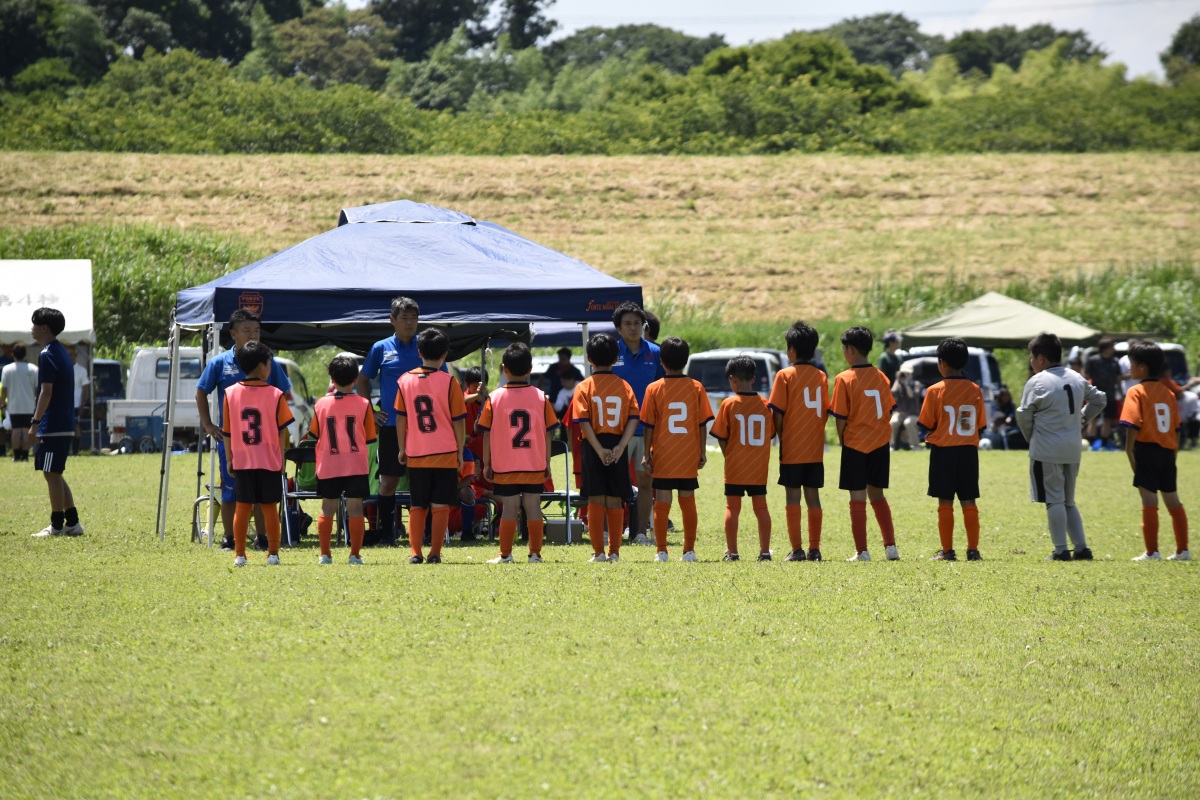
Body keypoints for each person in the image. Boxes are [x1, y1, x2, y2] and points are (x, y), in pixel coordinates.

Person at [196, 308, 292, 551]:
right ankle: (229, 538)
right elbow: (201, 392)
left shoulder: (267, 361)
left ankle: (262, 538)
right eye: (247, 330)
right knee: (231, 492)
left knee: (262, 494)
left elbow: (283, 394)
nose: (253, 335)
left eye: (257, 331)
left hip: (264, 444)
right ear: (233, 334)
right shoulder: (220, 362)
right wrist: (208, 424)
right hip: (232, 442)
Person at [1015, 332, 1107, 561]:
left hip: (1047, 448)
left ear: (1040, 358)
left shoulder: (1037, 381)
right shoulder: (1076, 377)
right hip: (1073, 447)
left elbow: (1024, 415)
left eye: (1032, 357)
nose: (1031, 362)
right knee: (1068, 500)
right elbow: (1100, 399)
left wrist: (1031, 437)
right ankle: (1082, 548)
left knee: (1054, 499)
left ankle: (1060, 550)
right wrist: (1082, 419)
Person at [357, 296, 433, 548]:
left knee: (423, 481)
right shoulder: (381, 348)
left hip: (423, 427)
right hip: (390, 426)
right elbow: (363, 380)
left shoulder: (426, 346)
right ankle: (387, 535)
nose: (410, 323)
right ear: (392, 320)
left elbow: (442, 380)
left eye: (414, 318)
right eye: (404, 318)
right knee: (388, 481)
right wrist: (370, 411)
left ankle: (427, 535)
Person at [478, 343, 559, 564]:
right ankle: (535, 554)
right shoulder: (541, 397)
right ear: (530, 369)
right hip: (533, 463)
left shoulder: (494, 398)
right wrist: (547, 462)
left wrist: (487, 463)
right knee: (533, 506)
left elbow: (486, 434)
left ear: (504, 369)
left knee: (509, 507)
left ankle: (505, 554)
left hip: (505, 464)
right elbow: (549, 433)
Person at [394, 327, 466, 565]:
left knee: (417, 504)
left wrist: (402, 448)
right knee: (440, 504)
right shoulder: (450, 382)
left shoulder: (404, 380)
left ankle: (415, 552)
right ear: (445, 354)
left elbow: (401, 418)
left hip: (417, 452)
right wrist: (459, 450)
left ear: (419, 352)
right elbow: (458, 421)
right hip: (445, 452)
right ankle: (435, 553)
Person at [221, 341, 293, 566]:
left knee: (243, 506)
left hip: (243, 460)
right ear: (262, 366)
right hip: (269, 460)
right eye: (269, 363)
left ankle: (240, 555)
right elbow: (282, 431)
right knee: (270, 506)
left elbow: (227, 432)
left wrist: (230, 458)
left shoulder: (230, 393)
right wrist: (281, 459)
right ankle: (273, 554)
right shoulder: (276, 394)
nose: (270, 367)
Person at [831, 326, 899, 562]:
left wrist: (843, 439)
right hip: (880, 442)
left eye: (843, 348)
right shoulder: (881, 376)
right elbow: (889, 410)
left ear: (850, 350)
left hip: (855, 443)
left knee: (857, 497)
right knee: (878, 495)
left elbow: (840, 416)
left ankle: (862, 551)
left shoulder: (844, 378)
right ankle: (891, 547)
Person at [641, 336, 712, 562]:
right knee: (687, 500)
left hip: (663, 453)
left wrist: (646, 454)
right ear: (686, 360)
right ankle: (689, 550)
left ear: (661, 361)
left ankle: (661, 551)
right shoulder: (696, 387)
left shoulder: (654, 388)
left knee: (662, 502)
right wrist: (702, 451)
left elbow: (649, 425)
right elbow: (702, 424)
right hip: (688, 452)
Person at [572, 333, 640, 563]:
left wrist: (599, 449)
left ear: (589, 359)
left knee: (595, 500)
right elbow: (633, 417)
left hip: (594, 445)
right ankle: (615, 552)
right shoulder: (624, 386)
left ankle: (599, 552)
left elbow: (583, 421)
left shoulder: (584, 387)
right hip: (617, 444)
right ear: (615, 358)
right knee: (614, 499)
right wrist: (621, 446)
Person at [917, 338, 987, 561]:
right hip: (968, 452)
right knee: (969, 500)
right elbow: (980, 425)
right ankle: (973, 550)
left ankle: (947, 551)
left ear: (942, 362)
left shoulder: (934, 391)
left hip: (943, 452)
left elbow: (927, 423)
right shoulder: (975, 390)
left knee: (945, 501)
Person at [1120, 341, 1189, 561]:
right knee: (1173, 500)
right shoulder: (1168, 392)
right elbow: (1177, 428)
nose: (1129, 367)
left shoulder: (1136, 391)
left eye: (1131, 363)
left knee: (1149, 500)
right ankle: (1183, 550)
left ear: (1142, 367)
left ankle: (1152, 552)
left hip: (1146, 450)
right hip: (1168, 451)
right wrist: (1173, 453)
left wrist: (1129, 451)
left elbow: (1132, 424)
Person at [306, 354, 376, 565]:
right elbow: (370, 436)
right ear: (355, 379)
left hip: (329, 464)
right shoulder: (364, 404)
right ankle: (355, 555)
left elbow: (314, 433)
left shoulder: (321, 404)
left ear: (332, 378)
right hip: (355, 463)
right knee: (355, 508)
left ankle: (325, 554)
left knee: (327, 507)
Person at [767, 321, 829, 562]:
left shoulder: (784, 375)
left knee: (792, 497)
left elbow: (777, 412)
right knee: (813, 496)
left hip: (792, 446)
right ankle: (815, 549)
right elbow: (824, 411)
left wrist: (782, 436)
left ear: (792, 350)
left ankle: (796, 550)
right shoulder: (820, 376)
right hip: (814, 446)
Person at [610, 301, 665, 544]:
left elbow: (664, 390)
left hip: (647, 431)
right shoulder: (610, 353)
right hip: (617, 431)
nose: (633, 328)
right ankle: (613, 533)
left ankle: (640, 533)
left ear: (644, 326)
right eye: (627, 324)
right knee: (614, 484)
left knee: (645, 483)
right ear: (618, 328)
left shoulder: (656, 353)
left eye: (637, 323)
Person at [28, 308, 85, 538]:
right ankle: (72, 522)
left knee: (51, 473)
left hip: (53, 425)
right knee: (55, 473)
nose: (31, 327)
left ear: (44, 328)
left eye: (34, 323)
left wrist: (35, 422)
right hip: (64, 422)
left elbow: (46, 392)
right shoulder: (61, 351)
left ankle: (57, 526)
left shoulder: (47, 354)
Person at [711, 356, 775, 561]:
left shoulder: (729, 404)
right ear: (753, 378)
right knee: (761, 507)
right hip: (758, 466)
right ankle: (765, 552)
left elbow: (721, 436)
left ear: (732, 379)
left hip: (735, 465)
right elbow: (770, 434)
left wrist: (729, 455)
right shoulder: (765, 405)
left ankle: (733, 552)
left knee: (732, 507)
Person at [1, 343, 39, 462]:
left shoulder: (7, 369)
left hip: (14, 405)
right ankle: (25, 454)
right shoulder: (33, 369)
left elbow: (4, 390)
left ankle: (17, 455)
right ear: (25, 355)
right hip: (29, 405)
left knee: (16, 430)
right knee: (27, 429)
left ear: (13, 354)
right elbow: (37, 389)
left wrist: (2, 404)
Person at [1085, 338, 1122, 451]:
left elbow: (1118, 378)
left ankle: (1104, 444)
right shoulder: (1093, 360)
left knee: (1108, 420)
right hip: (1095, 395)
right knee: (1093, 419)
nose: (1113, 349)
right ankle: (1090, 444)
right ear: (1105, 348)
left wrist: (1121, 393)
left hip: (1110, 395)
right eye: (1111, 346)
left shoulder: (1115, 361)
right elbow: (1085, 376)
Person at [890, 369, 922, 450]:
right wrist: (897, 379)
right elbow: (892, 392)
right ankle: (891, 445)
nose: (905, 376)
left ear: (911, 374)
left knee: (909, 422)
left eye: (907, 374)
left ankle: (915, 445)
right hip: (900, 413)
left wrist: (906, 384)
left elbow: (911, 395)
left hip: (913, 414)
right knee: (893, 422)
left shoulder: (916, 384)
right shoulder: (898, 385)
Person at [68, 345, 90, 455]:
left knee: (75, 426)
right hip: (64, 404)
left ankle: (75, 451)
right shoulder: (61, 369)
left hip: (75, 404)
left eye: (72, 355)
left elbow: (85, 388)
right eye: (68, 355)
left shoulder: (81, 370)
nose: (71, 357)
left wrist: (82, 404)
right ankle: (67, 450)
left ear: (76, 356)